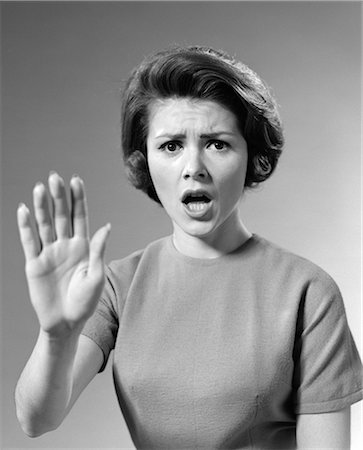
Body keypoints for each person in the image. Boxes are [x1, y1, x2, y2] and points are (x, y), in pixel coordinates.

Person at [15, 46, 362, 449]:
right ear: (145, 160)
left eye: (217, 143)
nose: (193, 166)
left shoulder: (309, 293)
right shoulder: (116, 286)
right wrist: (56, 335)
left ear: (251, 156)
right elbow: (36, 420)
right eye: (171, 146)